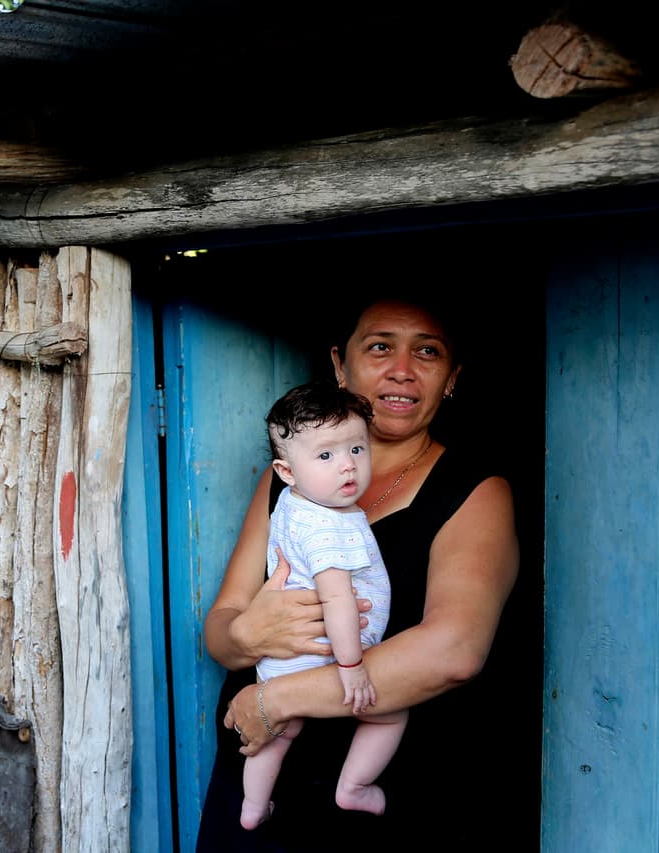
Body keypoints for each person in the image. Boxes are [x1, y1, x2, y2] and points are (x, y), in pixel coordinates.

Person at [195, 291, 522, 851]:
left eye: (427, 352)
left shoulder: (476, 490)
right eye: (379, 347)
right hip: (261, 778)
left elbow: (455, 652)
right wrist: (247, 634)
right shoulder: (287, 481)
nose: (401, 370)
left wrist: (276, 700)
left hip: (385, 795)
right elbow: (221, 630)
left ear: (451, 377)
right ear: (339, 365)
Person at [240, 381, 408, 829]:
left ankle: (253, 807)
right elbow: (337, 598)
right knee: (392, 711)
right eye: (326, 456)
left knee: (279, 731)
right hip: (326, 654)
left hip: (281, 659)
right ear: (286, 471)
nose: (348, 466)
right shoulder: (330, 526)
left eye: (356, 448)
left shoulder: (293, 505)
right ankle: (353, 787)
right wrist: (352, 665)